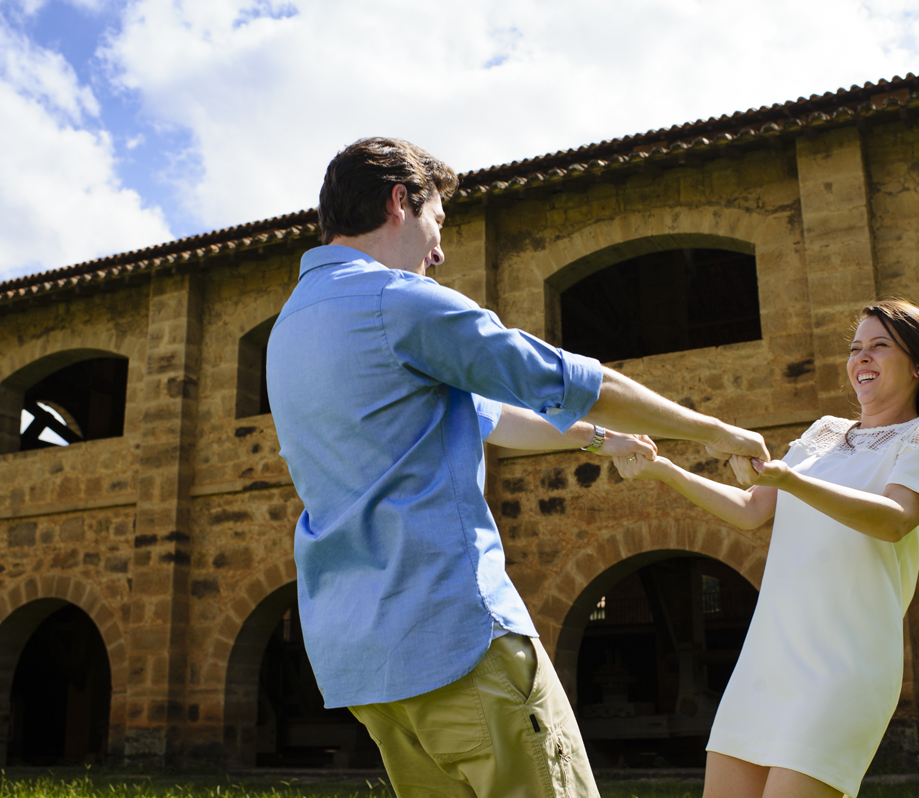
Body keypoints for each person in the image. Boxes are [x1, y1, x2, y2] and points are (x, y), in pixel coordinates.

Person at [265, 137, 771, 798]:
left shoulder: (290, 329)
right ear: (400, 200)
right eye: (437, 222)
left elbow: (482, 417)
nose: (439, 250)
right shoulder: (400, 302)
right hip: (457, 641)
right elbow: (562, 379)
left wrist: (595, 441)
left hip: (366, 667)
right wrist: (714, 429)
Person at [613, 300, 919, 798]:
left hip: (843, 669)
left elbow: (894, 520)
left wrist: (792, 480)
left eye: (879, 346)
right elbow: (751, 509)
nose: (862, 357)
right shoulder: (823, 433)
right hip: (767, 661)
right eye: (855, 348)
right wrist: (661, 469)